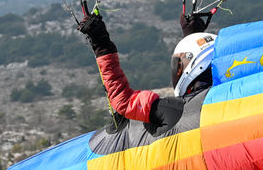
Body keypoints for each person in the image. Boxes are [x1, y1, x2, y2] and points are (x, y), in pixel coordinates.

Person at [77, 10, 215, 128]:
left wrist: (101, 44)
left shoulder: (178, 112)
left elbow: (123, 101)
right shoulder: (228, 95)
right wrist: (194, 38)